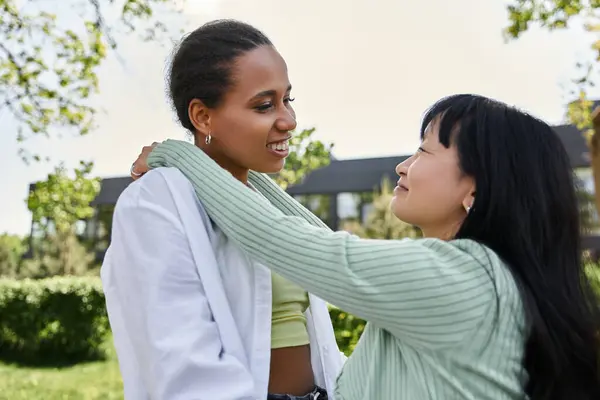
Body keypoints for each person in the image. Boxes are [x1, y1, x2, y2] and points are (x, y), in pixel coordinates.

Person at [132, 94, 600, 399]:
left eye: (424, 151)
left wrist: (180, 154)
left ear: (474, 191)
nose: (403, 165)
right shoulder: (493, 279)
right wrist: (237, 168)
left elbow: (285, 243)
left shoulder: (461, 278)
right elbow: (320, 241)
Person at [101, 19, 345, 400]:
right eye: (265, 105)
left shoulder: (270, 203)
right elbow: (182, 368)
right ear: (202, 117)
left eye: (288, 100)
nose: (289, 121)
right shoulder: (154, 203)